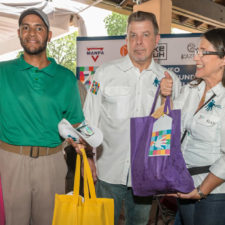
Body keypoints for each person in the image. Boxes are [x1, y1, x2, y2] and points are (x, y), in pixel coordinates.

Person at [83, 11, 181, 225]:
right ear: (125, 39)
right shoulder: (104, 73)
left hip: (146, 175)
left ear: (156, 39)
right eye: (133, 35)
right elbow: (89, 119)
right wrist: (89, 157)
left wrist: (168, 99)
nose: (138, 42)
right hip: (108, 170)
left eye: (145, 35)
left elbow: (175, 131)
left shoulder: (169, 80)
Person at [0, 8, 86, 225]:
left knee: (49, 221)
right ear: (19, 33)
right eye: (26, 27)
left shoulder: (66, 79)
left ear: (48, 35)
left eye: (39, 28)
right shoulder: (3, 72)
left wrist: (88, 154)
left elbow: (76, 122)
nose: (31, 33)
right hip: (11, 161)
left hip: (52, 163)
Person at [160, 28, 225, 225]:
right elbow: (166, 123)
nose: (196, 56)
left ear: (223, 59)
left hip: (214, 193)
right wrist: (165, 97)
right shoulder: (192, 89)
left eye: (203, 52)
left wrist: (201, 191)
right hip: (185, 185)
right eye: (197, 51)